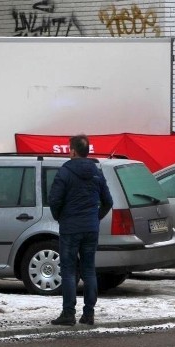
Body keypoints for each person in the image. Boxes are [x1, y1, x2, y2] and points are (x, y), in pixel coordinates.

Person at [48, 134, 114, 326]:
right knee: (89, 270)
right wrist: (95, 218)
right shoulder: (96, 172)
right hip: (90, 228)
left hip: (70, 228)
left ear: (73, 151)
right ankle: (89, 314)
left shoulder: (65, 172)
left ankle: (68, 314)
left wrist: (60, 217)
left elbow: (54, 200)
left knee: (68, 271)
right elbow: (108, 202)